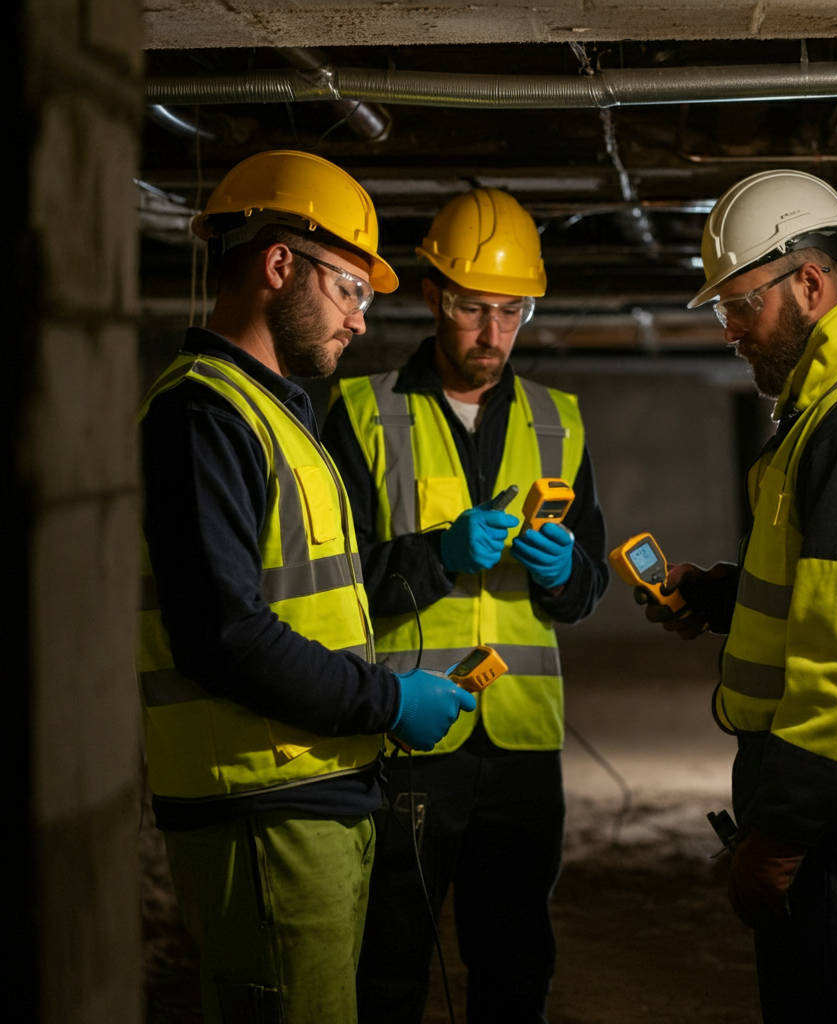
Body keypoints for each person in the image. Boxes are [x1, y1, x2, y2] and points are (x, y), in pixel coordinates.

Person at [138, 150, 476, 1024]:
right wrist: (388, 700)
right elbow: (225, 634)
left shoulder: (273, 415)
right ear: (280, 264)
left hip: (309, 799)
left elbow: (323, 594)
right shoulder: (203, 415)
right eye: (351, 290)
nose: (363, 322)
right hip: (261, 808)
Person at [638, 169, 837, 1023]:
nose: (732, 332)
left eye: (739, 305)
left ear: (809, 284)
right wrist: (727, 598)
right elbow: (827, 598)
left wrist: (777, 837)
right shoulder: (831, 413)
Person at [322, 187, 609, 1023]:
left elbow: (584, 593)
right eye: (474, 308)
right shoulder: (361, 413)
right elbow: (333, 594)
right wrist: (437, 556)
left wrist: (565, 573)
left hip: (521, 745)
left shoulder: (562, 423)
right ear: (434, 297)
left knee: (516, 965)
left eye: (512, 311)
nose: (493, 334)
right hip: (410, 736)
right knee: (388, 965)